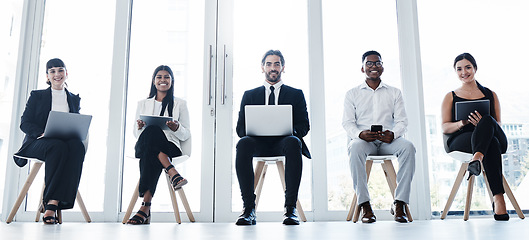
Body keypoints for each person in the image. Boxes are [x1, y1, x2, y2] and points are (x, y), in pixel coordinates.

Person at [234, 50, 311, 225]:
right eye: (269, 64)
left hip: (283, 142)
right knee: (243, 143)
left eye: (277, 64)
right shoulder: (250, 95)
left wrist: (287, 128)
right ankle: (248, 209)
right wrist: (254, 128)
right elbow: (240, 128)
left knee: (294, 142)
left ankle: (290, 209)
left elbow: (304, 126)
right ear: (262, 68)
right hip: (257, 143)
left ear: (283, 67)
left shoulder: (295, 94)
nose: (273, 68)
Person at [342, 50, 416, 223]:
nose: (373, 66)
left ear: (382, 67)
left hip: (387, 141)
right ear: (362, 68)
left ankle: (400, 203)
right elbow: (347, 123)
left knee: (408, 147)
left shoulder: (394, 92)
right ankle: (365, 205)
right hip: (363, 141)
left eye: (377, 63)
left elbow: (402, 121)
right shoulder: (352, 94)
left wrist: (394, 134)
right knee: (354, 147)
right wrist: (360, 134)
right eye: (369, 63)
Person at [13, 58, 86, 224]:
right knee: (57, 147)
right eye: (52, 71)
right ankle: (51, 206)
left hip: (63, 143)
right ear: (47, 76)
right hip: (37, 142)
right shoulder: (37, 96)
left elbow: (75, 121)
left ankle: (53, 202)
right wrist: (41, 132)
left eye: (60, 70)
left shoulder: (74, 99)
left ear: (66, 74)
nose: (57, 74)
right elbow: (24, 122)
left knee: (77, 147)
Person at [441, 53, 509, 221]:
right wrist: (462, 123)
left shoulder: (491, 94)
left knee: (488, 122)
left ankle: (477, 158)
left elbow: (497, 124)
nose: (464, 72)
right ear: (455, 72)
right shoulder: (450, 96)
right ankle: (499, 199)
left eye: (468, 67)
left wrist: (484, 124)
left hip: (491, 136)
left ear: (475, 68)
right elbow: (444, 126)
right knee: (490, 143)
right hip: (461, 139)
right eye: (459, 69)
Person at [127, 65, 191, 224]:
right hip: (144, 144)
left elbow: (186, 134)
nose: (163, 80)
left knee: (151, 154)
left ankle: (145, 208)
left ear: (172, 81)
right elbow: (136, 134)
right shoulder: (143, 103)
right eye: (159, 77)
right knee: (152, 132)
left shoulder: (180, 104)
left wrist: (177, 128)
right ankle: (173, 172)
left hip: (170, 146)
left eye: (167, 77)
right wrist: (140, 128)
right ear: (154, 81)